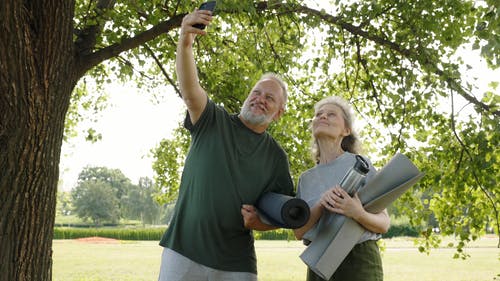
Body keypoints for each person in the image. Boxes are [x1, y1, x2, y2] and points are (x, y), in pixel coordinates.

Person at [157, 7, 295, 281]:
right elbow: (190, 90)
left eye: (269, 98)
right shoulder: (213, 120)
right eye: (256, 92)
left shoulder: (276, 157)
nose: (259, 99)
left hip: (237, 262)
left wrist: (259, 222)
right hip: (183, 251)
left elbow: (283, 214)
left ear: (279, 112)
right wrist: (185, 41)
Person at [293, 96, 390, 281]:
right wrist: (322, 204)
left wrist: (357, 212)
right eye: (318, 114)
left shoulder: (361, 165)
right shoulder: (305, 179)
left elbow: (384, 224)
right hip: (318, 262)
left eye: (331, 114)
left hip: (359, 261)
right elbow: (299, 232)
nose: (322, 117)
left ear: (346, 130)